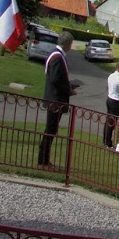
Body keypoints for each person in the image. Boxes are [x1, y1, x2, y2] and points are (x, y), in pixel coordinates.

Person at [38, 31, 80, 167]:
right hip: (55, 100)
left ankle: (44, 159)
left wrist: (69, 84)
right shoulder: (57, 57)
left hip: (55, 99)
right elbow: (55, 79)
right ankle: (43, 160)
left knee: (51, 129)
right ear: (67, 44)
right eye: (71, 44)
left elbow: (58, 78)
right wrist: (68, 90)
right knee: (50, 130)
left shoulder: (57, 54)